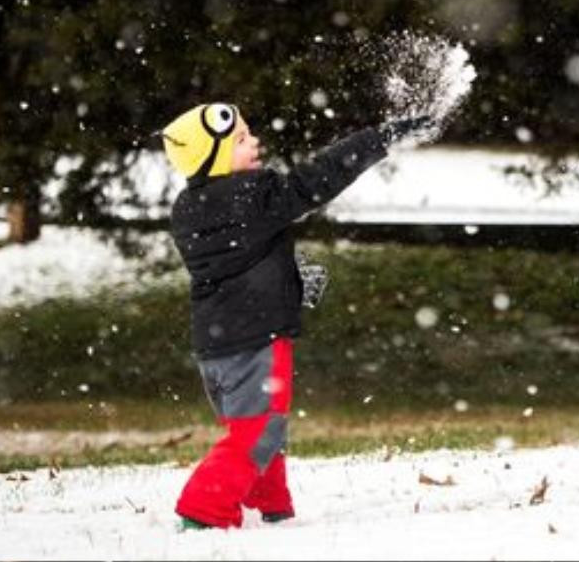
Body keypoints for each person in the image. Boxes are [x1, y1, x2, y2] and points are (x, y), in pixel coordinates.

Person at [159, 102, 431, 529]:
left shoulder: (189, 208)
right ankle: (202, 511)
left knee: (259, 427)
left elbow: (236, 265)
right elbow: (316, 179)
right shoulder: (251, 197)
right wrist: (376, 139)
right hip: (255, 342)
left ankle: (272, 505)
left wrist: (290, 281)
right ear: (212, 157)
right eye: (242, 140)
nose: (255, 142)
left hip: (217, 347)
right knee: (257, 432)